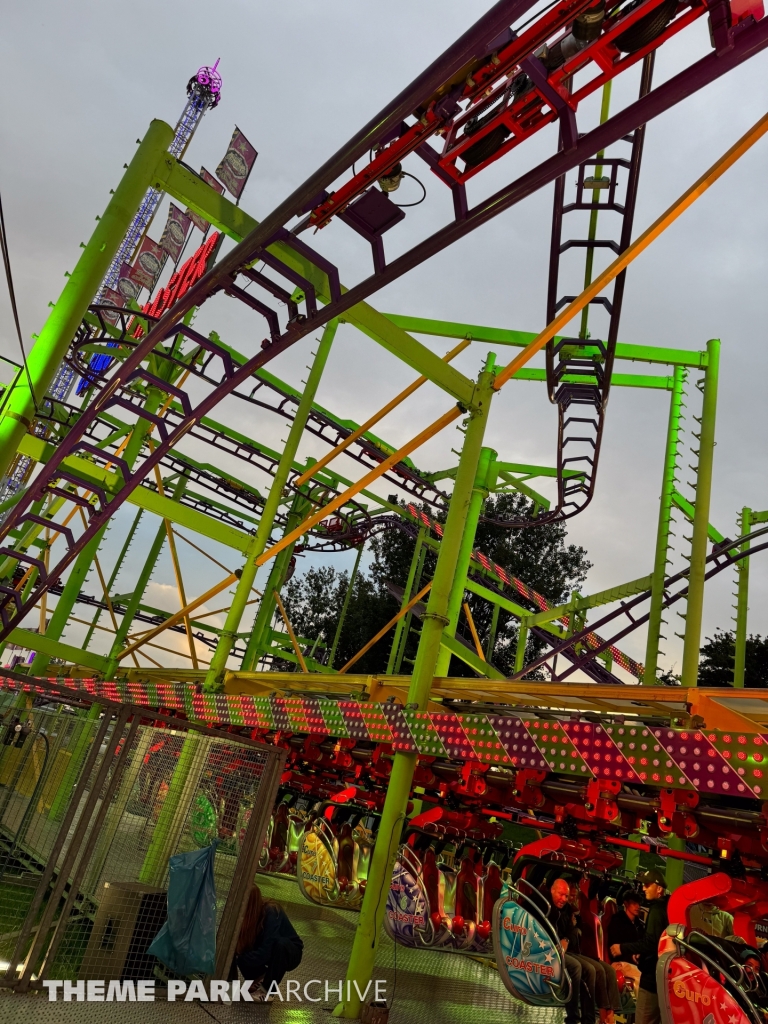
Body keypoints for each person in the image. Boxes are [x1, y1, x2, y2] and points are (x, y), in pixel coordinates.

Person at [551, 879, 622, 1024]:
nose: (566, 899)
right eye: (564, 895)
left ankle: (607, 1016)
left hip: (576, 951)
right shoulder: (550, 908)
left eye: (569, 896)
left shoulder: (572, 911)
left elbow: (572, 932)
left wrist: (567, 938)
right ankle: (576, 1017)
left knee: (606, 970)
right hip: (557, 952)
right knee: (586, 969)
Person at [610, 869, 669, 1024]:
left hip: (651, 978)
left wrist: (622, 948)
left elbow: (651, 943)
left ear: (659, 888)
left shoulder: (656, 910)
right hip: (663, 976)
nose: (643, 888)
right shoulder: (667, 907)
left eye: (647, 885)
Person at [231, 885, 304, 1001]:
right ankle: (259, 978)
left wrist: (241, 958)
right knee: (240, 947)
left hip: (288, 952)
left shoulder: (271, 911)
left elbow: (267, 949)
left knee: (281, 944)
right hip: (267, 951)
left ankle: (267, 990)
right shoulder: (247, 917)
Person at [546, 878, 583, 1024]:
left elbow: (573, 931)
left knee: (593, 969)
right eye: (560, 895)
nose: (563, 899)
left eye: (566, 896)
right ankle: (573, 1018)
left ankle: (588, 1019)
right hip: (547, 952)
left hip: (564, 951)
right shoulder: (546, 907)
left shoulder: (567, 910)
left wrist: (566, 940)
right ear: (552, 891)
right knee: (576, 967)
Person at [606, 891, 643, 991]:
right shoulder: (617, 921)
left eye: (638, 903)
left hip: (637, 962)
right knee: (643, 980)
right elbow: (613, 949)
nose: (638, 906)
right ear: (626, 904)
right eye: (634, 903)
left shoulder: (639, 924)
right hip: (621, 962)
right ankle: (643, 1006)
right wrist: (631, 956)